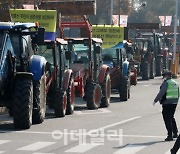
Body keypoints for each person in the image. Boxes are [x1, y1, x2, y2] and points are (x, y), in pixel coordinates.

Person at [153, 69, 179, 141]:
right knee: (171, 117)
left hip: (167, 103)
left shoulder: (166, 83)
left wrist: (155, 100)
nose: (163, 76)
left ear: (167, 75)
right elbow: (178, 93)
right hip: (174, 103)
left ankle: (169, 135)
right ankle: (175, 132)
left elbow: (161, 93)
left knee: (167, 119)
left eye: (164, 75)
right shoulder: (175, 83)